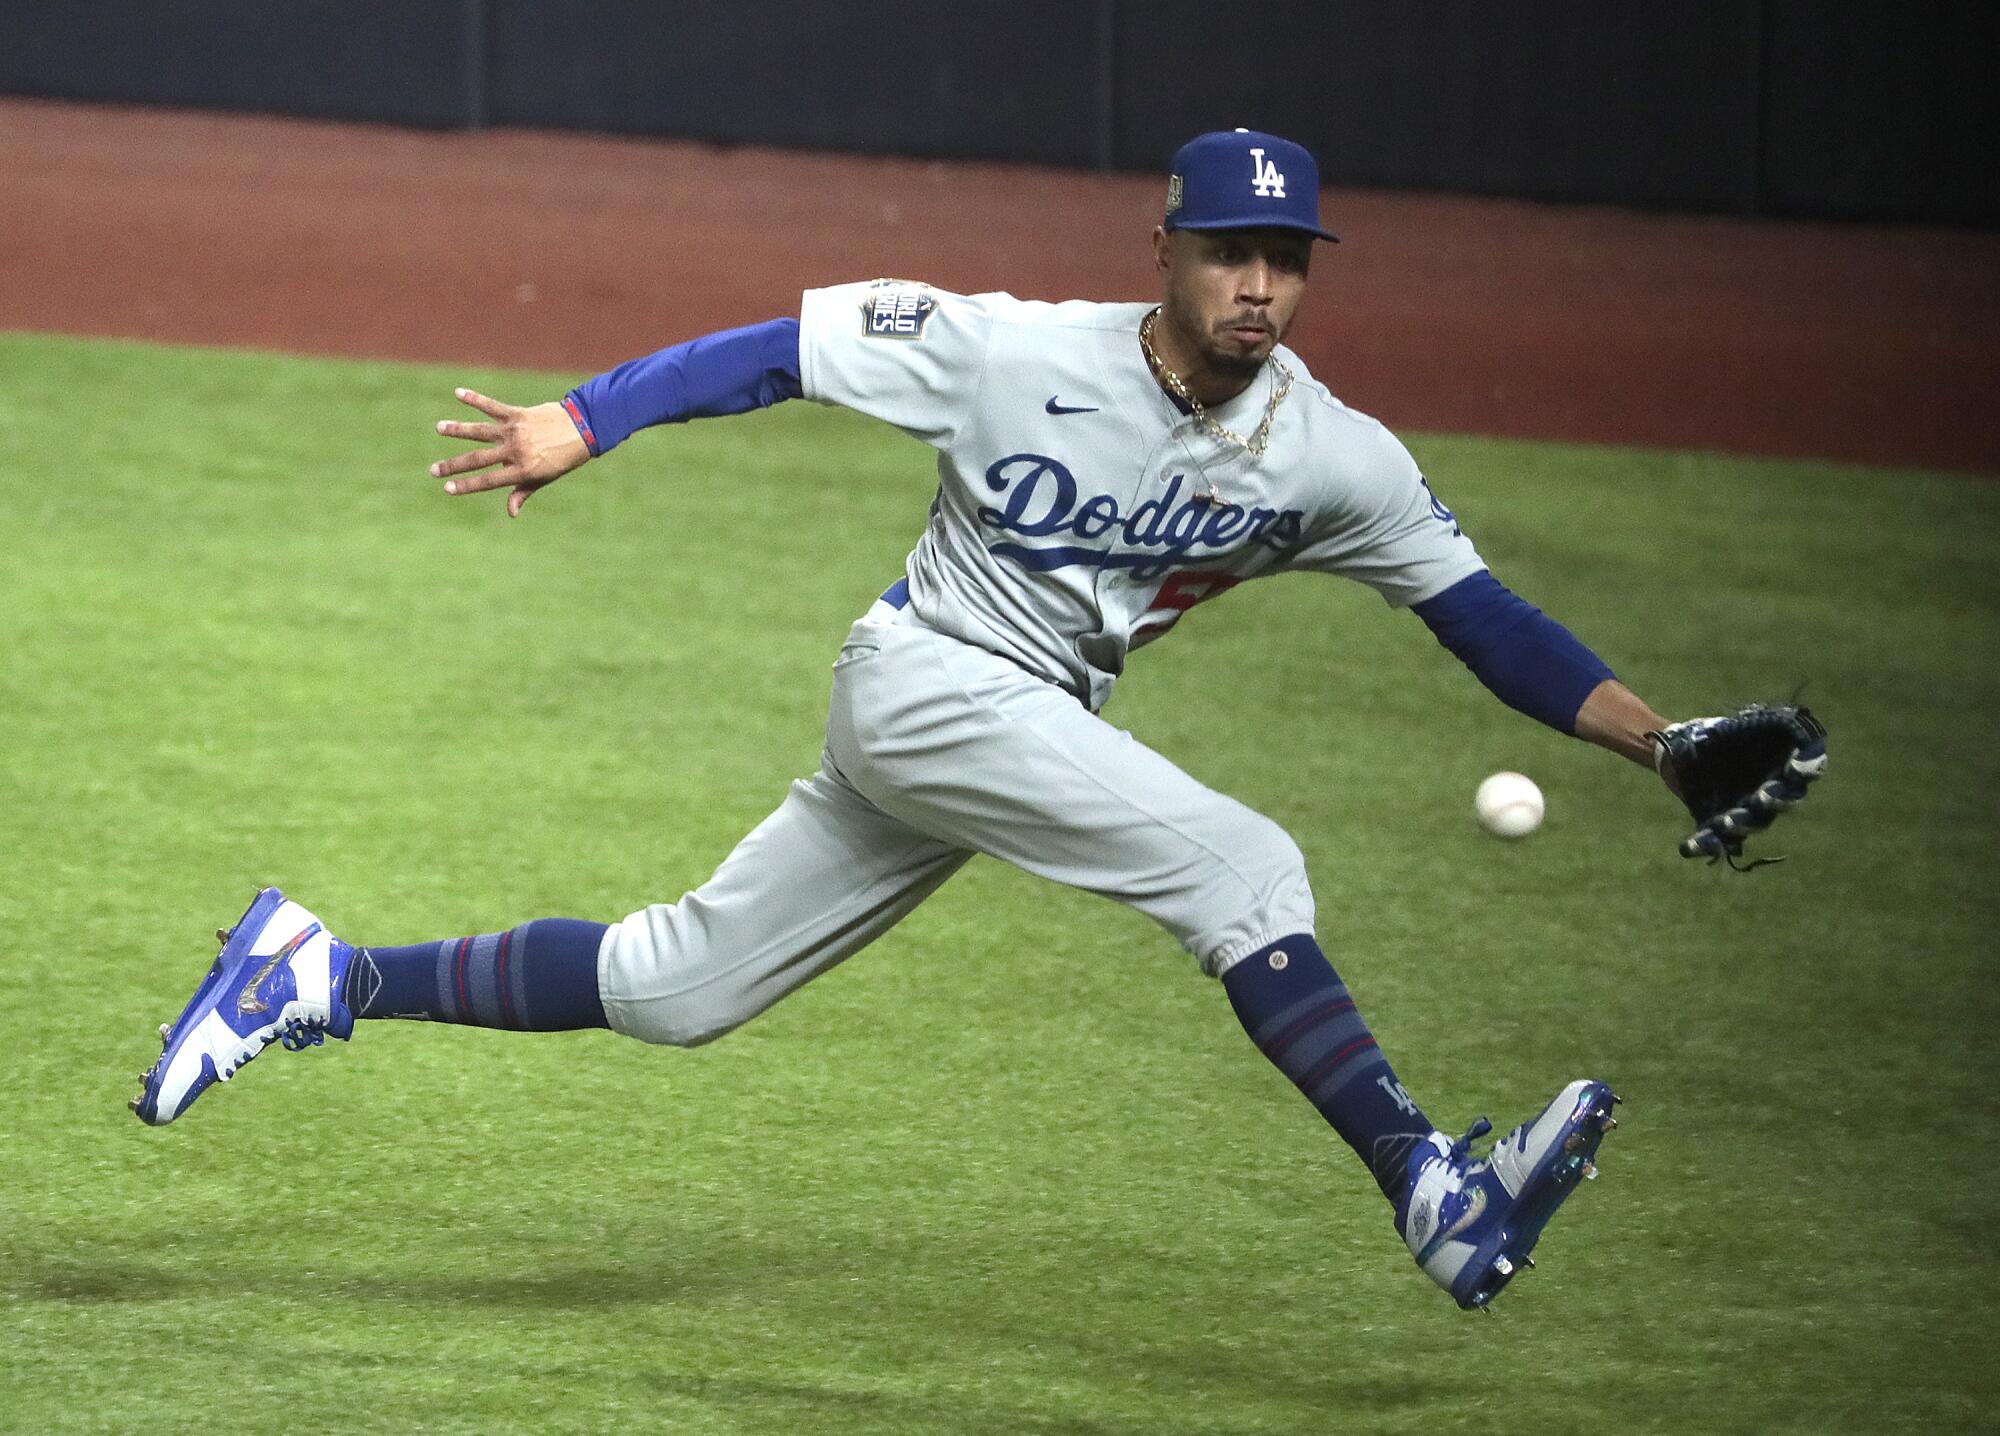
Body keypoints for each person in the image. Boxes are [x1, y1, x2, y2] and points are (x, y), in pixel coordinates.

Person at [136, 129, 1666, 1311]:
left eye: (1286, 256)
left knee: (678, 988)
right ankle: (1429, 1184)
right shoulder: (1011, 348)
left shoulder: (1331, 456)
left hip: (1001, 735)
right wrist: (583, 419)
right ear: (1167, 253)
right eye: (1229, 252)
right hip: (925, 680)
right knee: (1242, 866)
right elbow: (776, 353)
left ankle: (315, 973)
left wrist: (1662, 745)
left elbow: (1490, 626)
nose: (1258, 284)